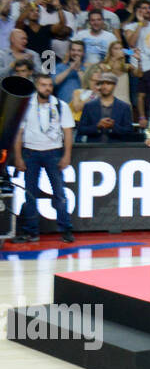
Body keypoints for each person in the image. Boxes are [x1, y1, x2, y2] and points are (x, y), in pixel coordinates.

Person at [12, 73, 74, 245]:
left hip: (54, 153)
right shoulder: (26, 105)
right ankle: (31, 232)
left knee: (60, 194)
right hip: (30, 153)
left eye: (49, 85)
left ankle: (66, 230)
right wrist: (18, 157)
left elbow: (68, 132)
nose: (47, 88)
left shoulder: (60, 105)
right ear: (36, 86)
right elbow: (19, 133)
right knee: (30, 195)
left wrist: (67, 155)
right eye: (43, 85)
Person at [75, 72, 135, 142]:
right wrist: (97, 126)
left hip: (116, 148)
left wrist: (113, 126)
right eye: (102, 83)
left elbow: (129, 131)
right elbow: (81, 129)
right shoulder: (89, 106)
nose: (104, 86)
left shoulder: (124, 107)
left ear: (114, 85)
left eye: (108, 84)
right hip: (94, 149)